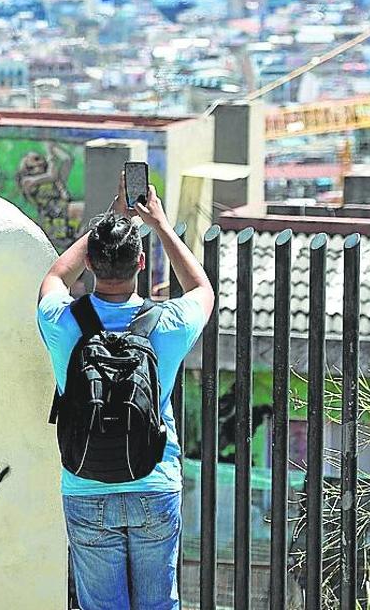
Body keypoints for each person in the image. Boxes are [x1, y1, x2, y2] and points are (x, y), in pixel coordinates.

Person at [37, 178, 215, 610]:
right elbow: (203, 290)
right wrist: (162, 226)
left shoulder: (62, 322)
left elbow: (57, 274)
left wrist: (112, 216)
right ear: (140, 262)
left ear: (93, 264)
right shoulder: (168, 324)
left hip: (85, 484)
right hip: (154, 481)